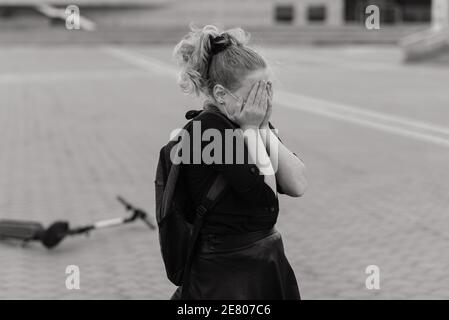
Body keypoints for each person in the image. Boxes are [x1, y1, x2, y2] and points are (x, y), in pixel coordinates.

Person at [170, 24, 308, 300]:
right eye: (254, 93)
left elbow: (297, 184)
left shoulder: (249, 123)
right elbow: (265, 201)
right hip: (225, 275)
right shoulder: (208, 132)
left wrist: (263, 129)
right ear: (221, 95)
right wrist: (252, 130)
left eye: (267, 90)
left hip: (260, 263)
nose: (263, 101)